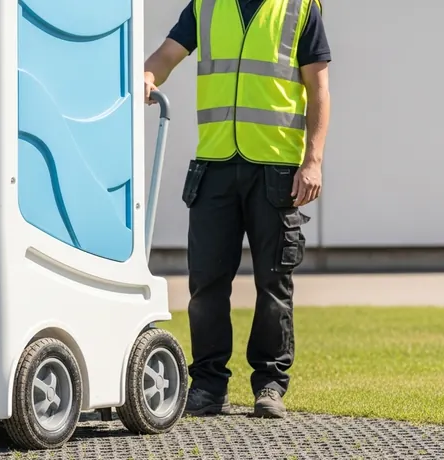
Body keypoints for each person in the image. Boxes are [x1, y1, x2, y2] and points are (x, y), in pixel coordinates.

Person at [143, 0, 331, 418]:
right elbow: (168, 53)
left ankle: (269, 384)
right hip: (215, 167)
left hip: (277, 170)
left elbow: (319, 88)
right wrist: (147, 75)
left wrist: (313, 160)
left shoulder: (300, 8)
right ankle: (208, 385)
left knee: (273, 285)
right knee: (206, 284)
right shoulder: (208, 5)